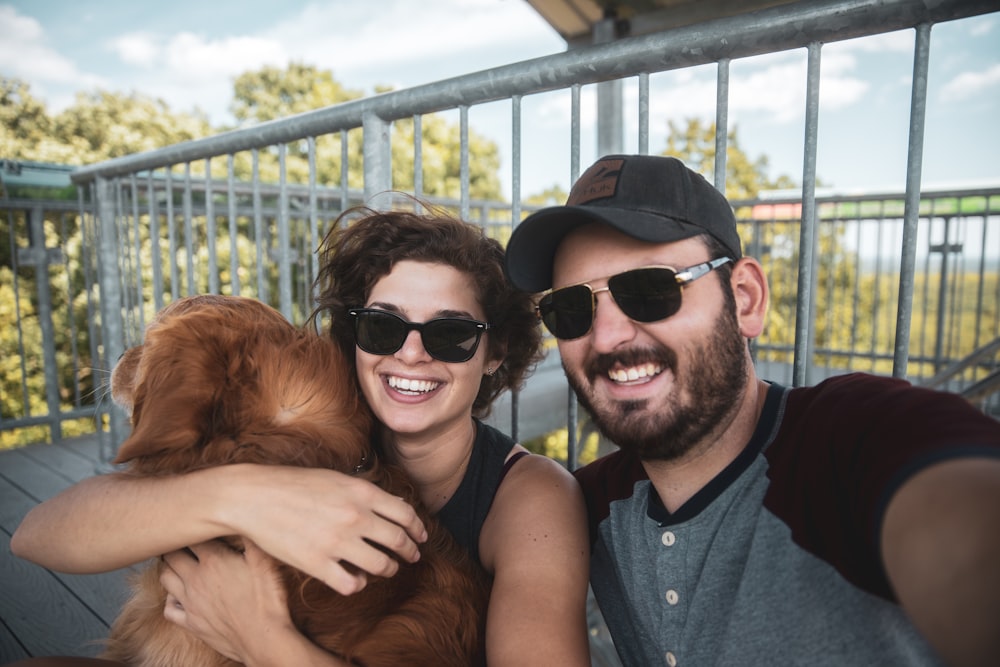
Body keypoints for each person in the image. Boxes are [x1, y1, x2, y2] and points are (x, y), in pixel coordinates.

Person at [12, 206, 591, 666]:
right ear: (355, 336)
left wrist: (262, 640)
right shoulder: (303, 435)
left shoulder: (532, 496)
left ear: (496, 354)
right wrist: (245, 497)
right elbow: (36, 537)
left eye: (451, 334)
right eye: (384, 326)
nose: (411, 353)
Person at [503, 154, 1000, 667]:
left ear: (745, 298)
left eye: (649, 290)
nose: (607, 336)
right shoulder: (587, 507)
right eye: (571, 309)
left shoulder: (855, 439)